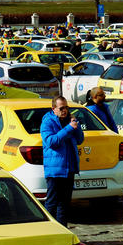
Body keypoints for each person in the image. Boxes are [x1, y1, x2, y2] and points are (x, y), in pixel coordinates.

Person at [40, 96, 84, 228]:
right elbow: (51, 142)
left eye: (67, 107)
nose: (65, 110)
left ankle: (62, 230)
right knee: (52, 203)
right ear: (53, 109)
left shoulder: (69, 121)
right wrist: (69, 128)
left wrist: (76, 125)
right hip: (55, 169)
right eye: (61, 108)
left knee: (64, 204)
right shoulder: (47, 122)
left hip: (69, 168)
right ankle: (49, 230)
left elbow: (80, 140)